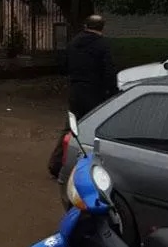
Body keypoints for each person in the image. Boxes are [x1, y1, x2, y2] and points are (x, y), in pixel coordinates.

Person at [47, 15, 118, 178]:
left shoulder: (73, 43)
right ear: (102, 28)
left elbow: (63, 66)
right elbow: (109, 73)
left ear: (86, 25)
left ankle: (56, 165)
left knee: (71, 128)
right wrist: (112, 93)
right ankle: (93, 167)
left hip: (76, 92)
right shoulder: (103, 45)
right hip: (95, 94)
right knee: (96, 130)